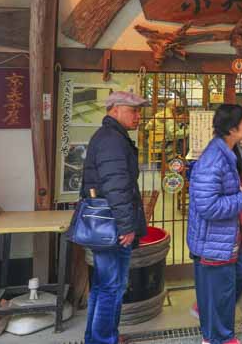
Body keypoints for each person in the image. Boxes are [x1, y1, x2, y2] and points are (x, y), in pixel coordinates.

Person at [80, 90, 149, 344]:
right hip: (112, 226)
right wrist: (126, 226)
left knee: (103, 286)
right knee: (112, 287)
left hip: (106, 225)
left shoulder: (110, 136)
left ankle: (98, 337)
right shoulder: (112, 140)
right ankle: (104, 340)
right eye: (133, 110)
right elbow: (116, 186)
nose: (138, 116)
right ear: (115, 109)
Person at [187, 104, 242, 344]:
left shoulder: (232, 150)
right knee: (222, 288)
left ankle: (209, 313)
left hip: (229, 234)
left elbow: (225, 189)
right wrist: (241, 199)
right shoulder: (213, 159)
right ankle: (219, 336)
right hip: (214, 237)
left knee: (241, 273)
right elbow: (207, 206)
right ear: (233, 128)